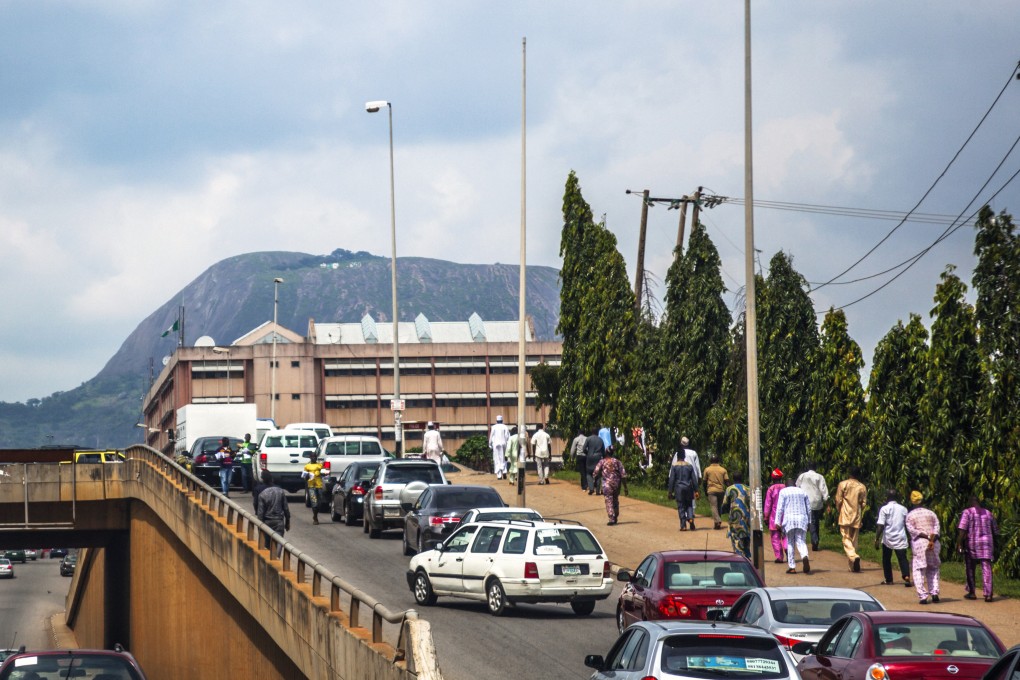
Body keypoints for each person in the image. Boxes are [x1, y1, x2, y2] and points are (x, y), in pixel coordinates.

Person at [957, 495, 998, 602]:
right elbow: (995, 531)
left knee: (970, 567)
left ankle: (972, 592)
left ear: (971, 501)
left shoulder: (967, 512)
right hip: (987, 543)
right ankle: (988, 594)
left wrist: (959, 544)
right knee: (986, 567)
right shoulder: (988, 513)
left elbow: (962, 530)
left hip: (972, 543)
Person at [905, 490, 941, 604]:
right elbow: (937, 528)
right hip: (934, 543)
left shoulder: (910, 515)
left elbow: (912, 530)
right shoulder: (931, 513)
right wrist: (931, 539)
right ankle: (934, 593)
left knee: (919, 569)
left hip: (920, 543)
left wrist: (926, 536)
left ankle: (923, 596)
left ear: (912, 501)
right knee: (933, 567)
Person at [874, 489, 911, 587]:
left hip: (888, 538)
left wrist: (877, 538)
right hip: (900, 537)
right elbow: (907, 524)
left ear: (887, 497)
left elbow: (880, 525)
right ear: (897, 498)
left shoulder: (884, 509)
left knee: (886, 559)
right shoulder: (903, 509)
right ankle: (906, 576)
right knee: (902, 558)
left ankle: (889, 579)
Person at [774, 478, 812, 574]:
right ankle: (804, 556)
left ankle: (792, 567)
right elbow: (809, 508)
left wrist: (777, 522)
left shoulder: (783, 492)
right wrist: (809, 521)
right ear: (795, 484)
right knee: (801, 541)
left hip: (789, 519)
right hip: (802, 519)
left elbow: (780, 508)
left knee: (790, 542)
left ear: (785, 484)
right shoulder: (802, 491)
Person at [835, 467, 867, 572]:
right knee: (854, 540)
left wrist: (839, 510)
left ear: (849, 474)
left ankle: (853, 556)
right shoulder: (862, 487)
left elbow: (838, 500)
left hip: (845, 514)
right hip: (857, 515)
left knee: (846, 538)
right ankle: (852, 566)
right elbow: (863, 503)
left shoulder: (843, 484)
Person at [796, 461, 829, 551]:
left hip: (805, 501)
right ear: (815, 468)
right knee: (815, 521)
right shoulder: (820, 477)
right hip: (816, 502)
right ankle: (815, 540)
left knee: (810, 521)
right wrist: (827, 501)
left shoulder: (802, 476)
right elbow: (823, 490)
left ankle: (812, 540)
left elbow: (797, 486)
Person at [256, 471, 290, 555]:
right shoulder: (280, 491)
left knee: (267, 546)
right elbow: (286, 508)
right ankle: (277, 558)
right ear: (272, 479)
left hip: (267, 522)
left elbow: (260, 513)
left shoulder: (262, 494)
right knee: (279, 543)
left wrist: (259, 526)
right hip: (279, 521)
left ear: (262, 479)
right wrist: (287, 522)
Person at [592, 446, 628, 525]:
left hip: (607, 485)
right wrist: (625, 488)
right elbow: (623, 475)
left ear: (606, 452)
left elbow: (596, 472)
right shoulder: (617, 462)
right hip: (616, 485)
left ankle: (611, 518)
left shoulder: (602, 462)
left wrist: (594, 482)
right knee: (615, 500)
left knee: (608, 501)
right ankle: (616, 516)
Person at [671, 437, 702, 526]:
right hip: (691, 478)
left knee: (681, 502)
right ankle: (691, 515)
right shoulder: (693, 453)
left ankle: (683, 521)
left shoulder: (678, 453)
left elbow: (673, 466)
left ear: (681, 443)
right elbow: (697, 466)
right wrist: (699, 477)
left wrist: (670, 487)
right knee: (690, 500)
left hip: (679, 480)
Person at [722, 471, 750, 559]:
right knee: (746, 537)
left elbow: (725, 503)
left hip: (735, 517)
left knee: (736, 538)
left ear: (733, 479)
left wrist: (723, 511)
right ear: (742, 478)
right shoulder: (748, 488)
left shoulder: (730, 489)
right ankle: (747, 557)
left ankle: (739, 558)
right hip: (747, 517)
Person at [667, 449, 696, 531]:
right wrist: (696, 490)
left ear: (677, 457)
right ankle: (690, 518)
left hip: (679, 489)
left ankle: (683, 525)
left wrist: (670, 491)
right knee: (689, 504)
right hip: (688, 488)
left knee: (681, 506)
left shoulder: (674, 466)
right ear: (684, 456)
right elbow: (694, 479)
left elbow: (672, 480)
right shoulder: (689, 466)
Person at [763, 468, 787, 563]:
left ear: (773, 479)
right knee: (786, 535)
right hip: (785, 516)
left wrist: (766, 516)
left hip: (774, 516)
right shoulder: (786, 487)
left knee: (775, 537)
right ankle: (787, 548)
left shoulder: (771, 489)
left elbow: (768, 504)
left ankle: (779, 557)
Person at [702, 455, 729, 530]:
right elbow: (727, 481)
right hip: (720, 490)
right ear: (718, 461)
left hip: (711, 490)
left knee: (714, 506)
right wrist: (731, 489)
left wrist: (705, 491)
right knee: (719, 507)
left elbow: (704, 482)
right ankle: (717, 524)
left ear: (710, 461)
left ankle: (717, 521)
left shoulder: (707, 470)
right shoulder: (723, 470)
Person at [301, 450, 325, 525]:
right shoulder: (307, 466)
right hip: (311, 486)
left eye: (315, 456)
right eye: (312, 457)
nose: (314, 458)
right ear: (310, 457)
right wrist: (307, 476)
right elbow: (304, 477)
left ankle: (316, 513)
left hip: (319, 485)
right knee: (314, 502)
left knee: (320, 502)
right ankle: (315, 517)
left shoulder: (320, 466)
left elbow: (325, 474)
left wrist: (321, 473)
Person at [583, 428, 605, 495]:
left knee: (589, 473)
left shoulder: (588, 439)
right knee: (598, 474)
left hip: (590, 457)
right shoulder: (600, 440)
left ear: (591, 432)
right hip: (598, 457)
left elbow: (584, 448)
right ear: (597, 432)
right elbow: (603, 451)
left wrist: (588, 453)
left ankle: (591, 488)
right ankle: (597, 491)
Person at [488, 415, 511, 480]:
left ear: (496, 421)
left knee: (497, 459)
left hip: (496, 445)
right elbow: (507, 436)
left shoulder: (494, 427)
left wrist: (490, 444)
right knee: (504, 458)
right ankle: (504, 471)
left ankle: (499, 475)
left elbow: (491, 436)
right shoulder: (505, 427)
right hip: (503, 444)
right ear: (502, 420)